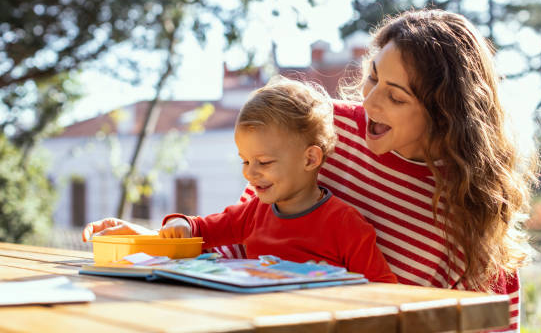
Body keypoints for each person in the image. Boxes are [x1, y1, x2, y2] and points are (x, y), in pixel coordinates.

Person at [221, 9, 536, 332]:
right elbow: (240, 236)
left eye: (396, 98)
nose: (369, 103)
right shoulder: (322, 131)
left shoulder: (472, 218)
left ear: (444, 115)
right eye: (373, 77)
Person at [82, 77, 397, 284]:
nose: (250, 173)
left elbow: (385, 293)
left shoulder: (345, 223)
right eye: (245, 161)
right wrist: (182, 226)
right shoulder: (254, 212)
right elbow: (203, 230)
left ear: (310, 159)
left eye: (264, 162)